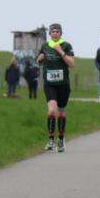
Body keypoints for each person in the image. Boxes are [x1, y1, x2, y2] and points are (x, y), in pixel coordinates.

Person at [37, 23, 75, 152]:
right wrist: (40, 59)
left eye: (57, 31)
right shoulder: (45, 46)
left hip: (63, 84)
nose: (55, 33)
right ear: (49, 33)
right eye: (53, 31)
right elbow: (39, 61)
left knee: (61, 112)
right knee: (52, 110)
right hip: (50, 84)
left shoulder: (66, 45)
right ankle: (51, 140)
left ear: (61, 33)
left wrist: (60, 51)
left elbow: (72, 64)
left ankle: (60, 139)